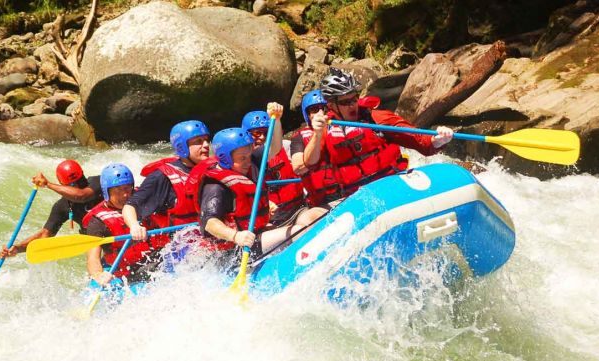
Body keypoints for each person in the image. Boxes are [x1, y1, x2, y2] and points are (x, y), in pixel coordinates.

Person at [291, 68, 453, 209]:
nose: (353, 105)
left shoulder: (377, 118)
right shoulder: (324, 131)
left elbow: (420, 140)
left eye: (354, 98)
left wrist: (438, 140)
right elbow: (309, 164)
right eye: (346, 102)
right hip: (358, 199)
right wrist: (317, 134)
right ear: (331, 105)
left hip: (393, 186)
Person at [187, 103, 304, 259]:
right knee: (298, 231)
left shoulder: (251, 161)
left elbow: (274, 147)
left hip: (255, 234)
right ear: (225, 159)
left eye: (249, 155)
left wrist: (275, 120)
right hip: (234, 249)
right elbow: (209, 222)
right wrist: (236, 236)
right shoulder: (215, 186)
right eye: (242, 158)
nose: (248, 161)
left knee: (304, 225)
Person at [122, 120, 210, 246]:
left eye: (207, 140)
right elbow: (130, 206)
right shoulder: (162, 176)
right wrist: (134, 225)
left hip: (210, 242)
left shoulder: (213, 169)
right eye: (198, 142)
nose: (206, 145)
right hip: (180, 249)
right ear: (182, 147)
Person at [0, 159, 103, 257]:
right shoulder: (62, 206)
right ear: (63, 185)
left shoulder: (99, 182)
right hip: (97, 243)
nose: (78, 185)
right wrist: (17, 248)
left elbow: (81, 196)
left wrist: (47, 184)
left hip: (116, 232)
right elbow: (44, 236)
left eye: (81, 180)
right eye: (72, 184)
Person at [83, 163, 156, 287]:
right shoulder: (97, 221)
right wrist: (98, 274)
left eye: (128, 188)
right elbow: (93, 258)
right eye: (118, 190)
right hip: (126, 271)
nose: (125, 195)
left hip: (154, 259)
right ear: (107, 192)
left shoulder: (142, 198)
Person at [241, 110, 305, 226]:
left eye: (266, 133)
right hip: (271, 220)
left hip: (298, 208)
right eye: (257, 133)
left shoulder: (285, 146)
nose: (262, 137)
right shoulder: (242, 162)